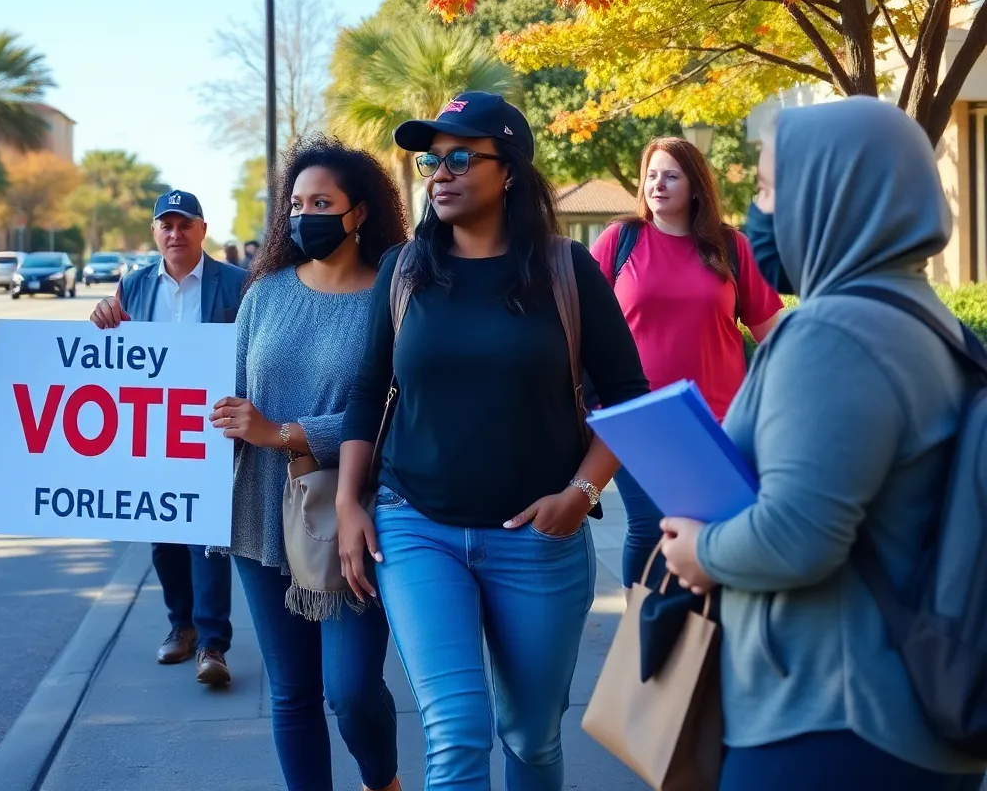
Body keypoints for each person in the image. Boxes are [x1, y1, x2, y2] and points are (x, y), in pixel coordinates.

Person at [660, 98, 987, 790]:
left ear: (835, 195)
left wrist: (699, 552)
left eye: (773, 188)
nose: (758, 209)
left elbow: (799, 535)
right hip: (909, 721)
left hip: (826, 722)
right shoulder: (937, 329)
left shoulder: (835, 334)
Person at [337, 92, 648, 791]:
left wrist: (582, 493)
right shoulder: (404, 271)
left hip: (537, 541)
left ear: (508, 170)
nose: (439, 173)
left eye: (459, 157)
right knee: (455, 734)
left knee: (533, 739)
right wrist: (352, 503)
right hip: (417, 529)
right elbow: (367, 393)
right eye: (429, 160)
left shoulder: (568, 271)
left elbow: (630, 401)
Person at [209, 136, 405, 791]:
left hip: (345, 516)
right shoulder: (263, 294)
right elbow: (226, 393)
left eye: (321, 202)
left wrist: (284, 433)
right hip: (261, 515)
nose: (304, 215)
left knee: (349, 689)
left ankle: (382, 779)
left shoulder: (395, 297)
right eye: (295, 203)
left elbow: (393, 411)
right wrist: (115, 332)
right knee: (291, 693)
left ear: (358, 214)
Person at [591, 136, 781, 592]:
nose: (658, 184)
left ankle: (696, 640)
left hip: (719, 420)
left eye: (671, 175)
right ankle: (646, 631)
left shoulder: (731, 247)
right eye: (652, 175)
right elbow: (579, 322)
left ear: (696, 186)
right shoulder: (619, 240)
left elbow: (774, 334)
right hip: (638, 419)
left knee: (708, 533)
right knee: (650, 525)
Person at [90, 189, 246, 687]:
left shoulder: (238, 284)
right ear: (155, 233)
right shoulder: (132, 286)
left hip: (212, 433)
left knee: (207, 540)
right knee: (164, 538)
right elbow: (112, 357)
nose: (175, 234)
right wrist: (103, 320)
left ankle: (212, 644)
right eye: (166, 226)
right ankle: (180, 626)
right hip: (154, 436)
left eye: (185, 225)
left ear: (203, 230)